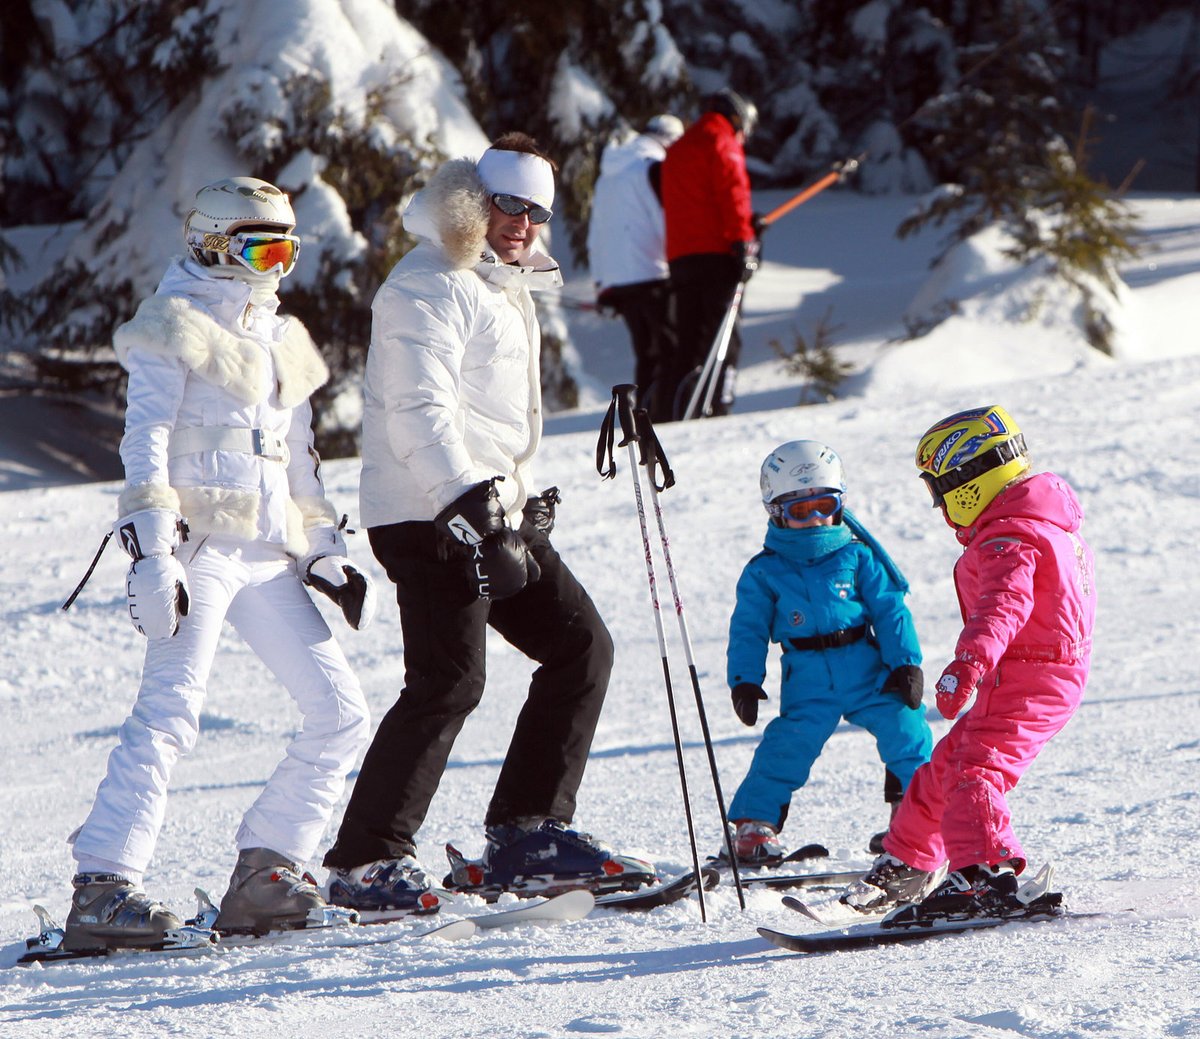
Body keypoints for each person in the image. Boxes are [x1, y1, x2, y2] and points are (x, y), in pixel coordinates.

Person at [320, 133, 656, 910]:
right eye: (510, 204)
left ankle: (527, 832)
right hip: (428, 513)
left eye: (537, 210)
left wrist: (514, 501)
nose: (524, 223)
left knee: (580, 645)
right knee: (448, 680)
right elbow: (419, 410)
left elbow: (484, 418)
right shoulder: (428, 283)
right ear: (473, 200)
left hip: (486, 511)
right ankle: (364, 862)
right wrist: (474, 511)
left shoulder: (496, 284)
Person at [63, 177, 374, 951]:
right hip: (198, 545)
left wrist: (325, 551)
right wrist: (152, 554)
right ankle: (103, 885)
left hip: (267, 553)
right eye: (260, 247)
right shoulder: (175, 324)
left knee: (340, 711)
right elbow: (147, 445)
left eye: (287, 251)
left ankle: (267, 872)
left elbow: (299, 463)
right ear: (213, 243)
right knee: (171, 711)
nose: (275, 266)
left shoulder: (283, 343)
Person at [842, 406, 1096, 922]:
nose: (939, 506)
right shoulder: (1037, 524)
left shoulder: (1011, 537)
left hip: (1030, 675)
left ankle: (983, 874)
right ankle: (910, 864)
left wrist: (968, 664)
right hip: (1030, 673)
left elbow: (1004, 607)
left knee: (974, 771)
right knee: (943, 769)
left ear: (967, 480)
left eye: (939, 491)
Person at [723, 440, 933, 866]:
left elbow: (890, 610)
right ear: (776, 512)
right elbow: (748, 629)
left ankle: (917, 820)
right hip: (808, 678)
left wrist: (906, 664)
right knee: (787, 747)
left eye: (825, 505)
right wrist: (744, 680)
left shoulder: (856, 555)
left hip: (866, 667)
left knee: (907, 731)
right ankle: (754, 827)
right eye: (801, 511)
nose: (816, 518)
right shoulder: (765, 571)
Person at [660, 88, 759, 419]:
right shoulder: (722, 141)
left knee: (688, 339)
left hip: (681, 257)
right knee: (725, 335)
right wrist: (744, 241)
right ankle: (718, 405)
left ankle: (678, 409)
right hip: (718, 254)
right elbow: (733, 194)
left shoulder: (678, 148)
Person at [587, 113, 685, 423]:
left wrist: (603, 280)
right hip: (653, 271)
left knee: (646, 354)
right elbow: (667, 217)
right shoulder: (653, 167)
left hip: (619, 278)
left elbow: (596, 230)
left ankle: (642, 417)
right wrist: (678, 261)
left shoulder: (610, 172)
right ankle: (666, 416)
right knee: (671, 350)